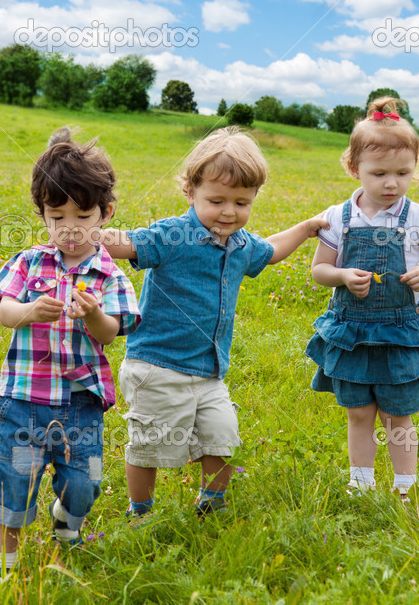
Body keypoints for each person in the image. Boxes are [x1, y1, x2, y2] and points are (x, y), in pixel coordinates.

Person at [100, 126, 327, 517]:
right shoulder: (174, 234)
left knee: (221, 439)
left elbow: (271, 252)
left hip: (210, 371)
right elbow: (132, 242)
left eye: (242, 202)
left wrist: (307, 230)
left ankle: (211, 505)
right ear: (190, 192)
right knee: (149, 445)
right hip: (157, 365)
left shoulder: (241, 244)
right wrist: (84, 234)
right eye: (216, 200)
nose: (228, 212)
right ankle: (141, 510)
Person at [0, 127, 140, 576]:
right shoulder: (29, 261)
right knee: (14, 482)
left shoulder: (110, 275)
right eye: (57, 217)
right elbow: (5, 313)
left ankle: (67, 521)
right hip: (23, 399)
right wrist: (30, 309)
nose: (69, 229)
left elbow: (110, 333)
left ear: (105, 213)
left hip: (80, 403)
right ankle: (6, 561)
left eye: (82, 216)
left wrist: (92, 315)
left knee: (84, 485)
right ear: (43, 215)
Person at [306, 97, 419, 501]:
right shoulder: (340, 217)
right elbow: (319, 270)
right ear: (354, 169)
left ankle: (405, 485)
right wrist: (341, 275)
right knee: (358, 411)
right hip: (352, 329)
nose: (391, 184)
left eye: (402, 173)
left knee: (397, 411)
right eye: (379, 174)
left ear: (415, 171)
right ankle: (361, 481)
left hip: (398, 329)